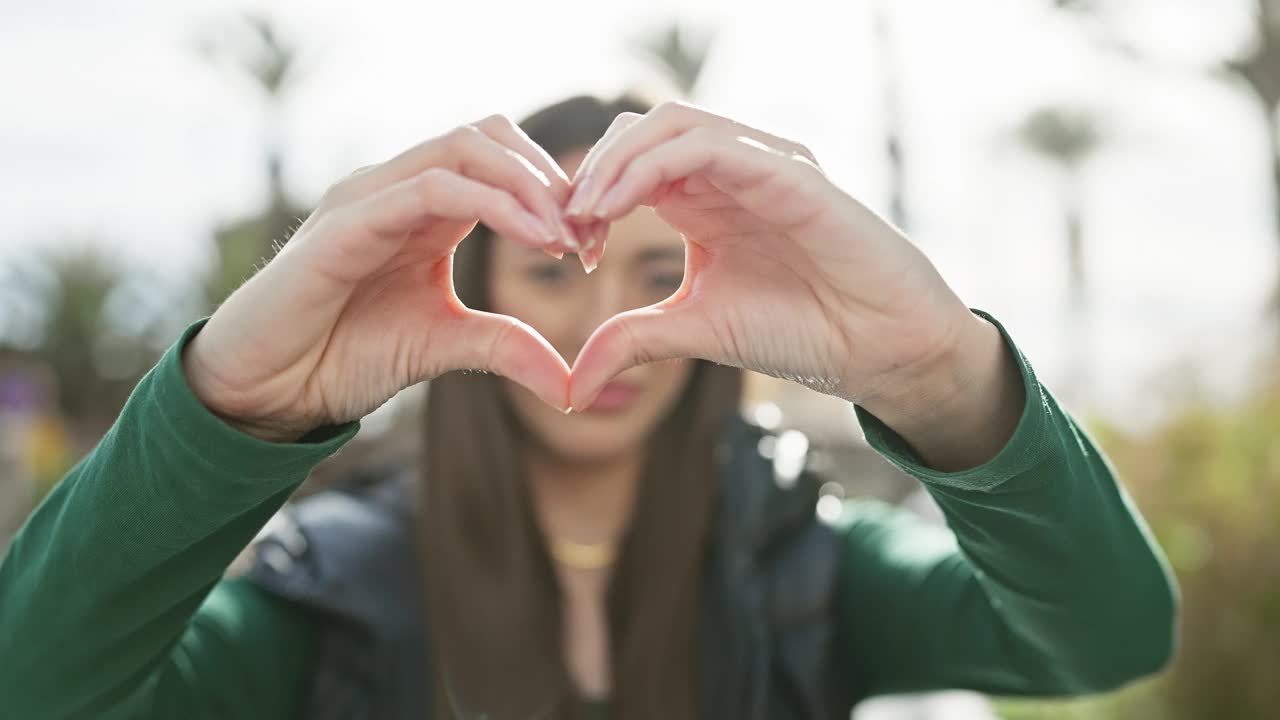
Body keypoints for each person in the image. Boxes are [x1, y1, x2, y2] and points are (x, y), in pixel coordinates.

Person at [0, 94, 1176, 720]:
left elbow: (1108, 637)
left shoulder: (812, 564)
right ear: (478, 294)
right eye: (554, 271)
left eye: (658, 276)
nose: (601, 321)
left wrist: (939, 377)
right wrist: (226, 406)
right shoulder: (328, 591)